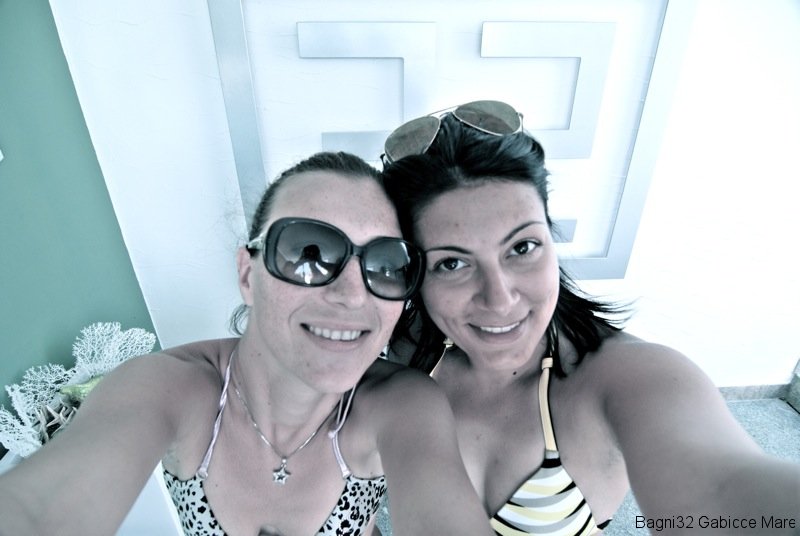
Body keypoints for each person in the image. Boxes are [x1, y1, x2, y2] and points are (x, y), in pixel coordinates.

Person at [0, 152, 495, 536]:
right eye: (309, 253)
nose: (351, 295)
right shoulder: (170, 387)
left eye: (386, 265)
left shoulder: (402, 404)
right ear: (247, 274)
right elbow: (39, 511)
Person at [381, 101, 800, 535]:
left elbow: (721, 489)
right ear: (415, 273)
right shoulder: (405, 347)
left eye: (522, 247)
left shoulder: (628, 378)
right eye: (452, 263)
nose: (500, 299)